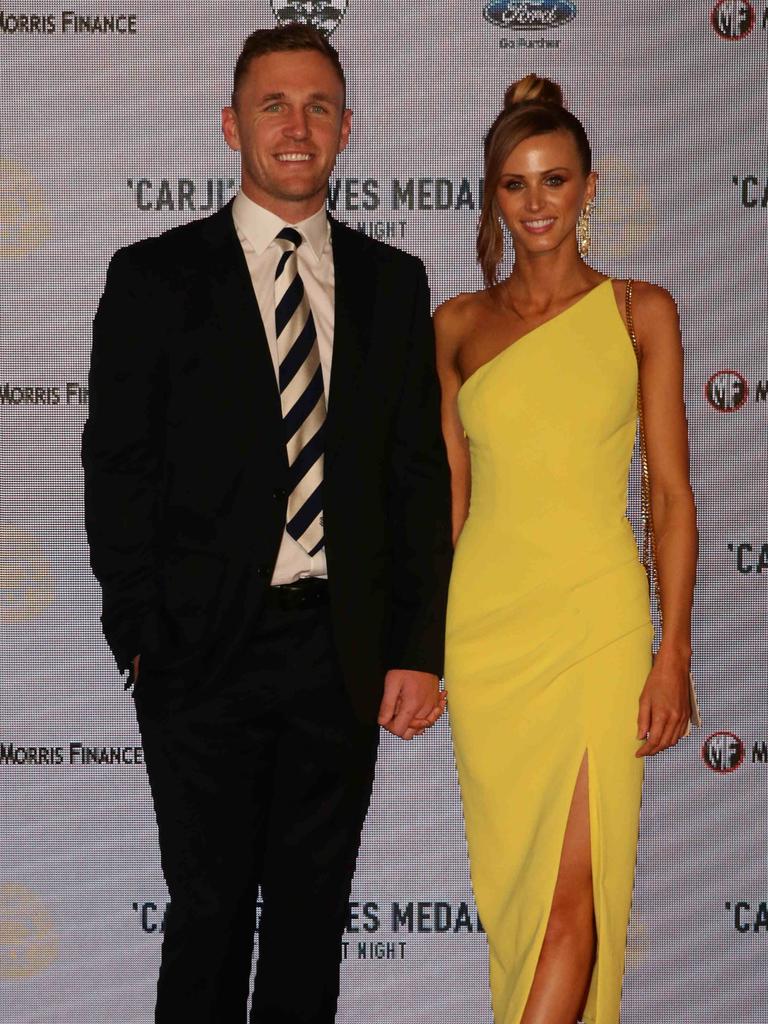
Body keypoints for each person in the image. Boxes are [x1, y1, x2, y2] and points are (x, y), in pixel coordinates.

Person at [82, 24, 451, 1024]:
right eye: (274, 104)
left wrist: (417, 647)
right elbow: (116, 469)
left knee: (310, 918)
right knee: (206, 913)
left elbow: (416, 480)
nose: (297, 125)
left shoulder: (393, 283)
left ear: (346, 129)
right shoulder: (155, 276)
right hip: (198, 647)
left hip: (341, 647)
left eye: (318, 106)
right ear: (231, 123)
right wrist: (142, 635)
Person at [435, 75, 697, 1024]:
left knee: (571, 904)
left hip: (596, 624)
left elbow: (668, 497)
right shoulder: (457, 326)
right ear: (493, 195)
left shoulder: (641, 312)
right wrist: (424, 650)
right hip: (487, 634)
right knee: (517, 907)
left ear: (589, 187)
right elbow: (448, 512)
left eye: (554, 180)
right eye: (515, 184)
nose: (536, 203)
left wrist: (672, 653)